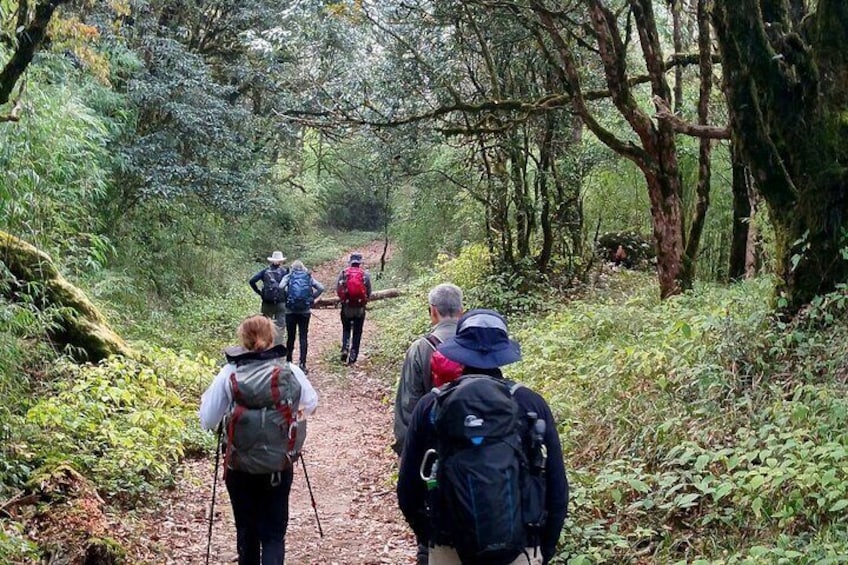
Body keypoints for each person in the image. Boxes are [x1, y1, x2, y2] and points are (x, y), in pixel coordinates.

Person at [397, 309, 568, 565]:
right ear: (502, 352)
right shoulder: (530, 404)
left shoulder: (431, 405)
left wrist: (431, 536)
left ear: (460, 349)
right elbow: (557, 487)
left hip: (448, 547)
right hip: (520, 548)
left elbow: (408, 490)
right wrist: (543, 548)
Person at [199, 315, 318, 565]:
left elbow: (207, 420)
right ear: (272, 337)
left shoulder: (229, 373)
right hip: (277, 466)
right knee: (274, 535)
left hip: (239, 468)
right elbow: (311, 403)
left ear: (242, 340)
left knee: (247, 533)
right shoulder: (289, 370)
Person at [392, 283, 463, 564]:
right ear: (461, 311)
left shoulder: (421, 348)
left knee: (432, 534)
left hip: (431, 456)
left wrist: (405, 455)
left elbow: (407, 408)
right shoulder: (478, 345)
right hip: (476, 453)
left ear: (432, 312)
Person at [279, 260, 325, 374]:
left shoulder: (289, 276)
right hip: (305, 311)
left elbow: (280, 287)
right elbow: (321, 288)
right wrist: (311, 299)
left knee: (291, 337)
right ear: (303, 267)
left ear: (292, 268)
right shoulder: (307, 276)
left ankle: (288, 362)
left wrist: (287, 297)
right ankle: (302, 364)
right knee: (303, 337)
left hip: (290, 311)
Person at [336, 252, 371, 365]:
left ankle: (345, 348)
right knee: (357, 332)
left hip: (346, 307)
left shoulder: (344, 273)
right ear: (360, 262)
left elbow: (338, 289)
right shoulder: (365, 274)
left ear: (350, 262)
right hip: (360, 308)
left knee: (346, 329)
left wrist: (343, 300)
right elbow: (369, 291)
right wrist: (365, 301)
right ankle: (353, 356)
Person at [248, 251, 290, 332]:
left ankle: (267, 343)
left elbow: (252, 281)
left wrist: (259, 292)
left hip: (267, 303)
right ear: (281, 261)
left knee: (266, 326)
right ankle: (278, 343)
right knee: (280, 326)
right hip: (281, 302)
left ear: (271, 260)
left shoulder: (265, 271)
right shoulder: (285, 272)